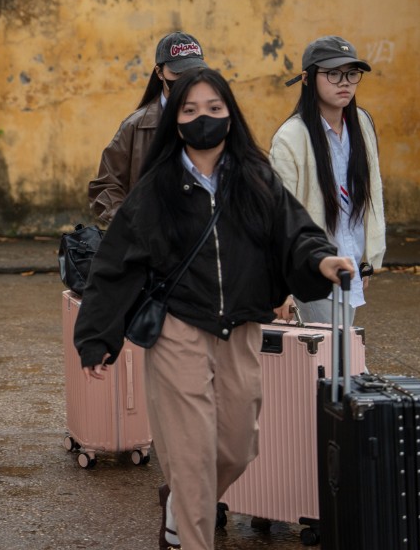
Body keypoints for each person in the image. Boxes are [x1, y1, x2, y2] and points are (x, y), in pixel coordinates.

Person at [73, 68, 355, 550]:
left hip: (240, 328)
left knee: (238, 447)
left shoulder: (255, 177)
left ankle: (178, 505)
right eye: (190, 110)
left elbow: (294, 232)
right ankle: (190, 530)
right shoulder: (157, 187)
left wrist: (321, 259)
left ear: (230, 114)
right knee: (191, 458)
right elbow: (116, 264)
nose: (203, 117)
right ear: (176, 121)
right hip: (177, 330)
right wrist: (97, 336)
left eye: (214, 108)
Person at [270, 36, 385, 325]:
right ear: (307, 78)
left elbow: (371, 194)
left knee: (340, 347)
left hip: (350, 265)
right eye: (333, 73)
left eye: (351, 73)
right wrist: (282, 288)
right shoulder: (291, 137)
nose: (344, 82)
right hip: (312, 269)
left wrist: (365, 260)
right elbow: (278, 215)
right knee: (334, 348)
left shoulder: (362, 124)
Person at [88, 31, 207, 225]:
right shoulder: (135, 126)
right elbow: (106, 187)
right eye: (178, 73)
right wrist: (130, 222)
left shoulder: (217, 120)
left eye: (194, 72)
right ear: (159, 73)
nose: (187, 81)